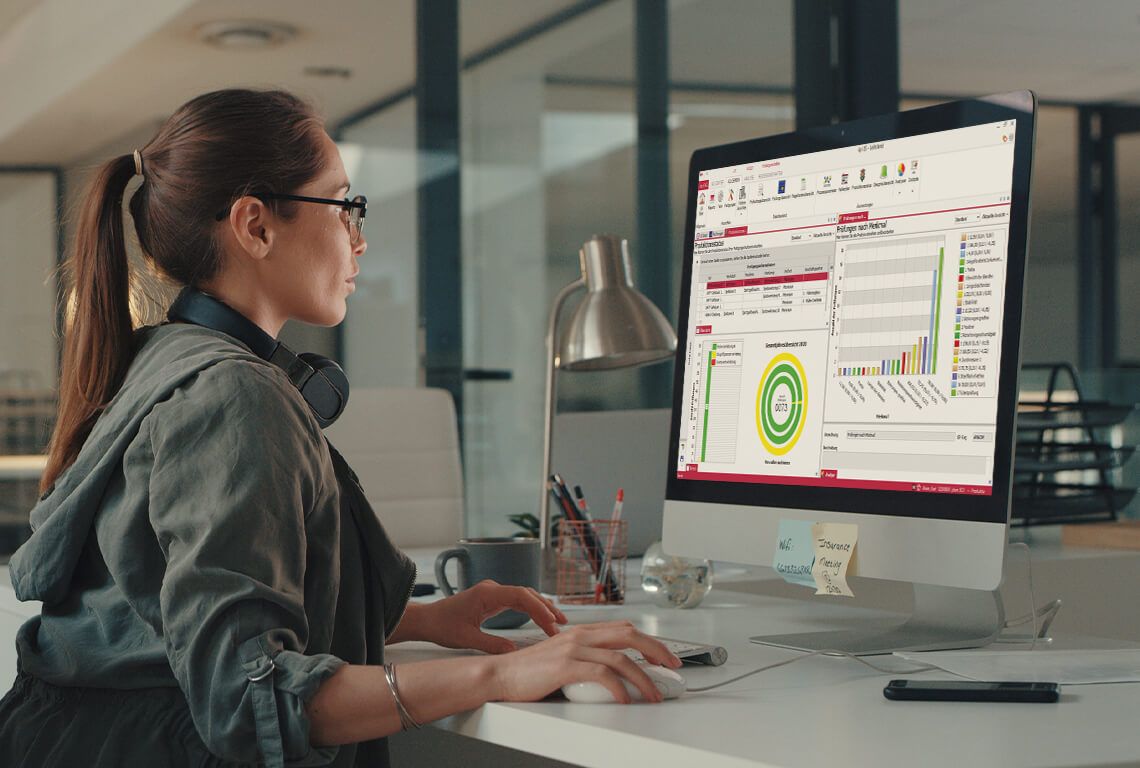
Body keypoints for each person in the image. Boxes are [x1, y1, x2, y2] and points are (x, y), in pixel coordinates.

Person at [0, 89, 680, 768]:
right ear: (255, 226)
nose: (360, 238)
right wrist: (501, 675)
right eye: (344, 205)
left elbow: (165, 612)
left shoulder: (167, 359)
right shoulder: (231, 395)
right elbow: (246, 695)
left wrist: (425, 620)